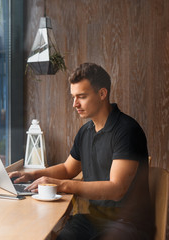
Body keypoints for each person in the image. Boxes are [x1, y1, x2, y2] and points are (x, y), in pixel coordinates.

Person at [9, 63, 154, 240]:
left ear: (102, 94)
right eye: (73, 97)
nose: (74, 104)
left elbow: (117, 189)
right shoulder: (86, 132)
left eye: (81, 97)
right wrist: (33, 176)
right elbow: (67, 169)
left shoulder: (126, 131)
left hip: (128, 223)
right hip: (93, 220)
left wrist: (62, 185)